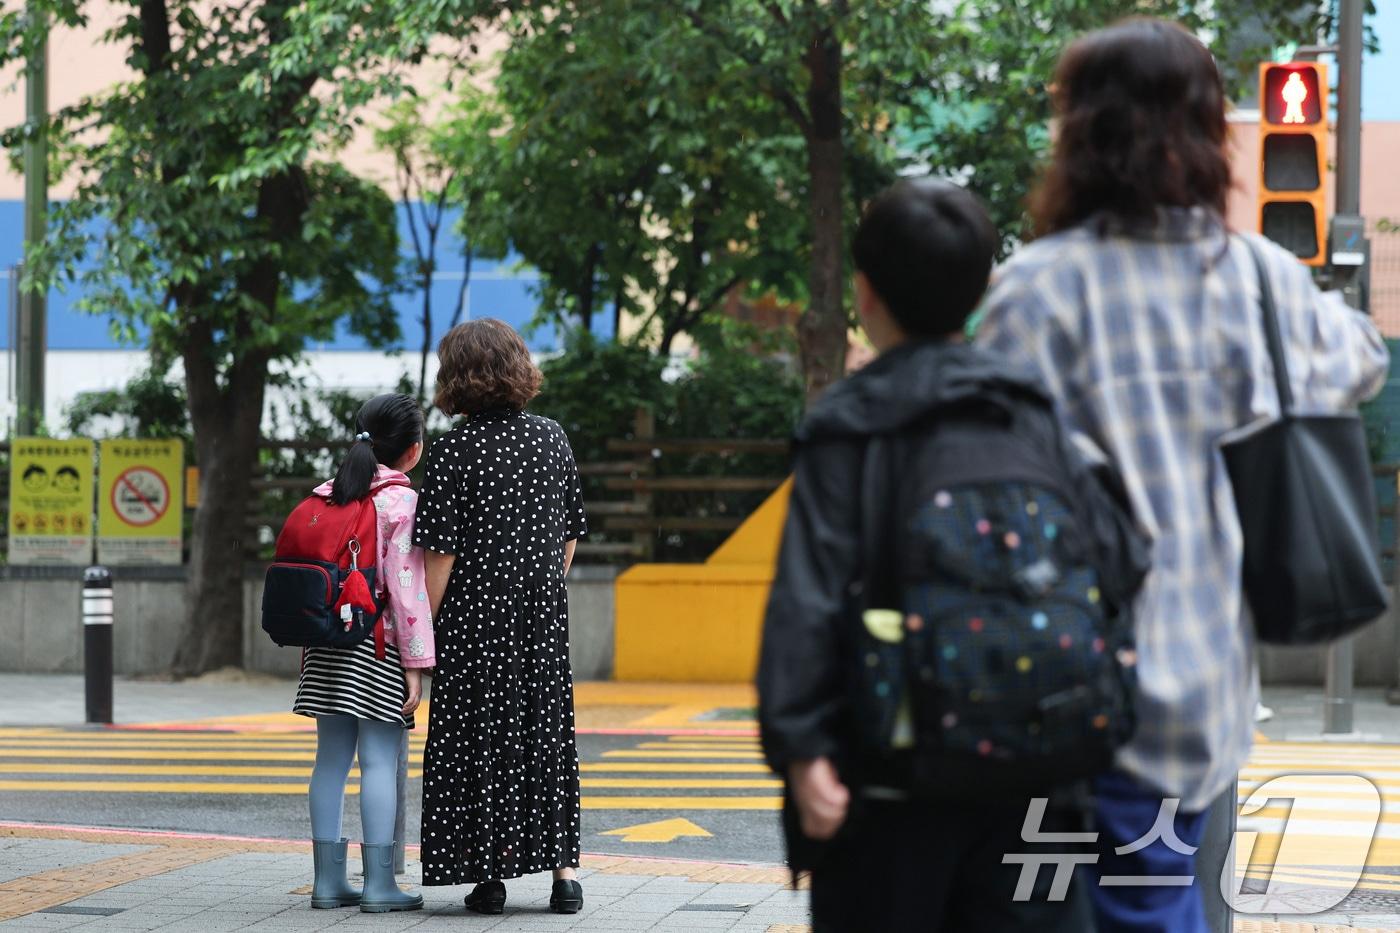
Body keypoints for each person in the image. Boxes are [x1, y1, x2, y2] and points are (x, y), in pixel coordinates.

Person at [977, 18, 1390, 932]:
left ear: (1082, 135)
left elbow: (991, 470)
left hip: (1070, 671)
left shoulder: (1036, 289)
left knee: (1107, 903)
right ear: (1205, 134)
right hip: (1207, 677)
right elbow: (1364, 358)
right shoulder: (1259, 279)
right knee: (1162, 889)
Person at [759, 177, 1135, 932]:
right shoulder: (1030, 408)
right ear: (981, 292)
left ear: (864, 293)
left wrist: (802, 753)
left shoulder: (847, 427)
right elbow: (1118, 562)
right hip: (1043, 780)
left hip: (888, 786)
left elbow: (808, 600)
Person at [414, 318, 588, 915]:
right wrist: (537, 588)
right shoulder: (551, 438)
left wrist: (422, 632)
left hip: (470, 620)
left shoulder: (451, 451)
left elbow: (439, 555)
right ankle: (565, 877)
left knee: (477, 739)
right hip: (540, 616)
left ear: (455, 377)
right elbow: (568, 536)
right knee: (545, 735)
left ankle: (487, 877)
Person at [292, 392, 436, 913]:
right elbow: (408, 592)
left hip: (327, 645)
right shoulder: (401, 504)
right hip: (375, 650)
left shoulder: (327, 495)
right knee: (378, 761)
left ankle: (327, 881)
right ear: (413, 451)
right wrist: (417, 665)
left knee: (329, 759)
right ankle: (379, 885)